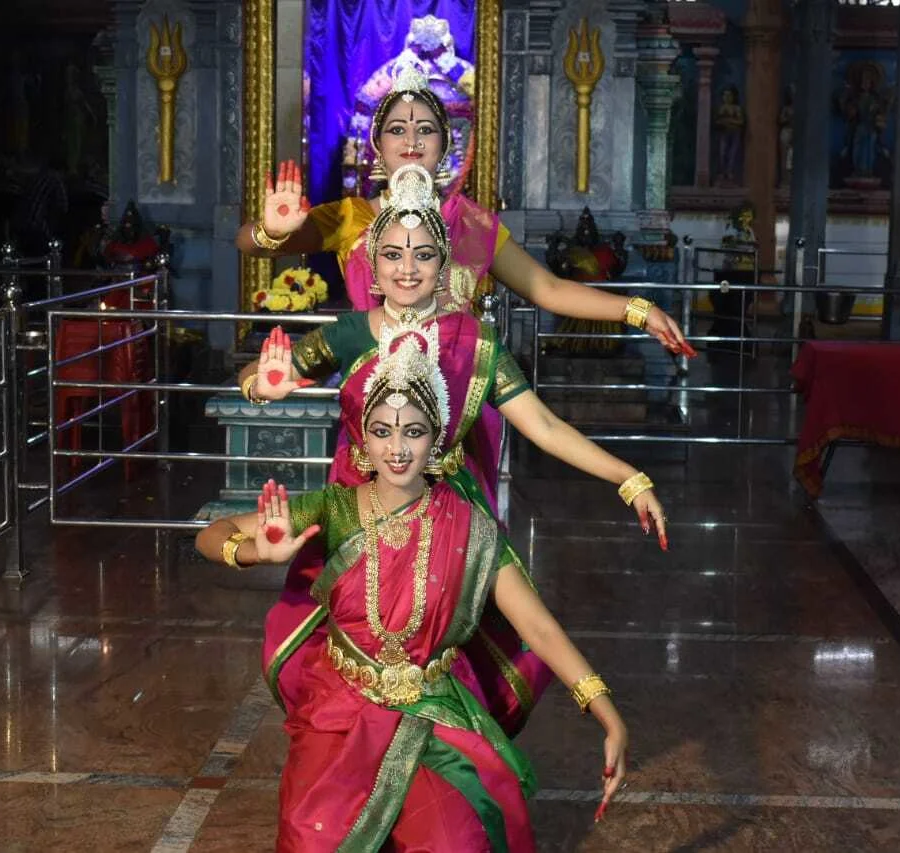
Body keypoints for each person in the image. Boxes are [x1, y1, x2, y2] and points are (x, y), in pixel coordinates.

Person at [239, 165, 668, 736]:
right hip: (363, 507)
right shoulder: (350, 332)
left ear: (444, 264)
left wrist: (627, 477)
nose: (407, 269)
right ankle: (355, 743)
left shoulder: (476, 342)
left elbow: (542, 425)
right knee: (346, 643)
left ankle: (445, 745)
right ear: (374, 262)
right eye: (392, 254)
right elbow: (264, 372)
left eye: (422, 255)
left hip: (450, 513)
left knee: (464, 642)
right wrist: (260, 382)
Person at [197, 329, 629, 850]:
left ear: (437, 437)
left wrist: (606, 712)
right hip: (340, 714)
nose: (397, 449)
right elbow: (212, 534)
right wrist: (253, 553)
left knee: (455, 841)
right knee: (312, 837)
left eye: (413, 432)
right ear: (362, 436)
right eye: (381, 431)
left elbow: (536, 625)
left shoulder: (470, 528)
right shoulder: (335, 510)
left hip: (434, 711)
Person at [235, 68, 694, 357]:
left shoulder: (471, 222)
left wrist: (639, 309)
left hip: (458, 395)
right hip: (375, 404)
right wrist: (271, 232)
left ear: (445, 147)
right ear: (378, 146)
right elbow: (249, 245)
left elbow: (549, 289)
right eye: (397, 129)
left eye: (426, 131)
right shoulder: (350, 218)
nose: (411, 141)